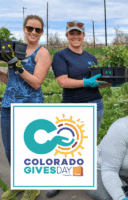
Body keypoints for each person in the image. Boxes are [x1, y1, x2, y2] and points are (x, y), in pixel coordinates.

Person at [46, 20, 117, 198]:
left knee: (88, 146)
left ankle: (84, 177)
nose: (75, 36)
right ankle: (59, 181)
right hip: (72, 106)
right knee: (65, 145)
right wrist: (86, 82)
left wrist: (111, 83)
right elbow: (62, 81)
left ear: (84, 36)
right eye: (72, 33)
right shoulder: (61, 56)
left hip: (95, 105)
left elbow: (95, 84)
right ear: (67, 36)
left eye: (78, 33)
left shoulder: (91, 58)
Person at [1, 14, 51, 200]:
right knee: (10, 149)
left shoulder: (42, 53)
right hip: (8, 105)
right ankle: (19, 183)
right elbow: (11, 81)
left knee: (29, 150)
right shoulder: (14, 50)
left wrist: (18, 66)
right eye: (30, 28)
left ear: (41, 32)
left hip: (30, 107)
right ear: (24, 29)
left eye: (37, 30)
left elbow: (36, 83)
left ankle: (33, 187)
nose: (33, 32)